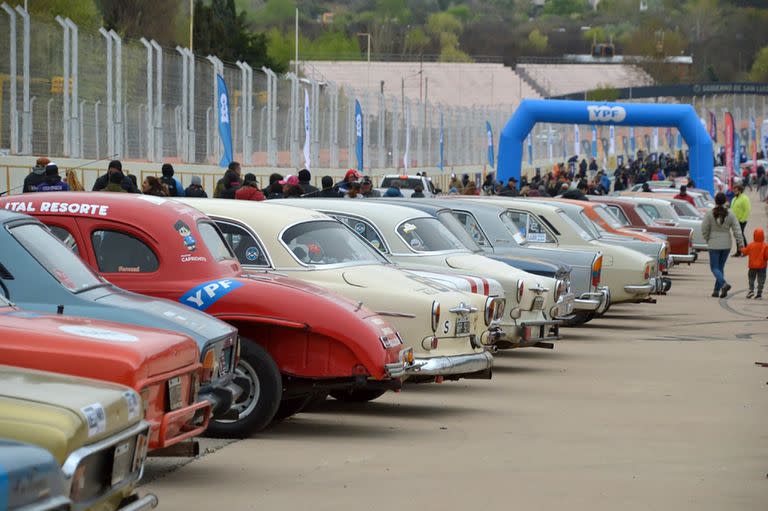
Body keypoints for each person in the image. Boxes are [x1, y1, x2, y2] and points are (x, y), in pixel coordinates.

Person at [702, 192, 744, 297]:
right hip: (726, 244)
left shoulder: (709, 213)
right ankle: (716, 290)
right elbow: (737, 229)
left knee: (714, 267)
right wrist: (740, 243)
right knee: (720, 267)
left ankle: (724, 284)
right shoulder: (730, 213)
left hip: (713, 243)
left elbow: (704, 228)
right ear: (725, 200)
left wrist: (708, 238)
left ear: (715, 200)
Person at [740, 227, 768, 299]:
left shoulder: (751, 245)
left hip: (752, 266)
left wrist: (741, 249)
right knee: (761, 279)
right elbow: (766, 256)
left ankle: (751, 290)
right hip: (762, 266)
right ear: (763, 236)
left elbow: (745, 251)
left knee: (751, 278)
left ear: (754, 236)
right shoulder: (765, 246)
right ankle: (759, 293)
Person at [730, 184, 750, 256]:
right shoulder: (734, 199)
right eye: (734, 190)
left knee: (740, 235)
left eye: (736, 190)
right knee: (737, 235)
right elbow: (732, 209)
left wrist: (742, 219)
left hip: (741, 220)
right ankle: (739, 251)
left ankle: (746, 250)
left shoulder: (744, 198)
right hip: (734, 221)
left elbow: (747, 210)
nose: (734, 191)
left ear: (740, 190)